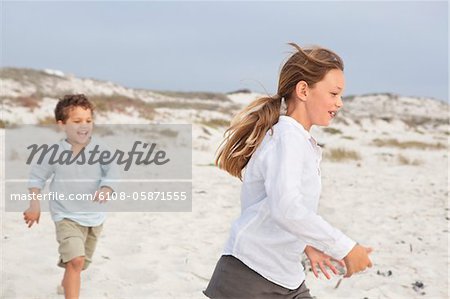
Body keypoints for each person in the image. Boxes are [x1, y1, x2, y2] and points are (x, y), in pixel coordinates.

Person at [204, 43, 373, 298]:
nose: (339, 103)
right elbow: (286, 208)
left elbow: (281, 206)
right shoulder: (287, 138)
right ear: (303, 90)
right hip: (248, 276)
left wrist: (307, 244)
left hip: (286, 277)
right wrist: (346, 248)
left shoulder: (297, 140)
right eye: (334, 93)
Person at [23, 94, 116, 299]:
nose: (84, 125)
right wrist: (34, 205)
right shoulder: (53, 152)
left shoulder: (101, 149)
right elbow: (37, 178)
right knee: (76, 261)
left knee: (79, 264)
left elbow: (112, 172)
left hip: (94, 216)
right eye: (77, 121)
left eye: (88, 121)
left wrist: (107, 188)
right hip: (65, 215)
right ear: (62, 124)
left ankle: (65, 285)